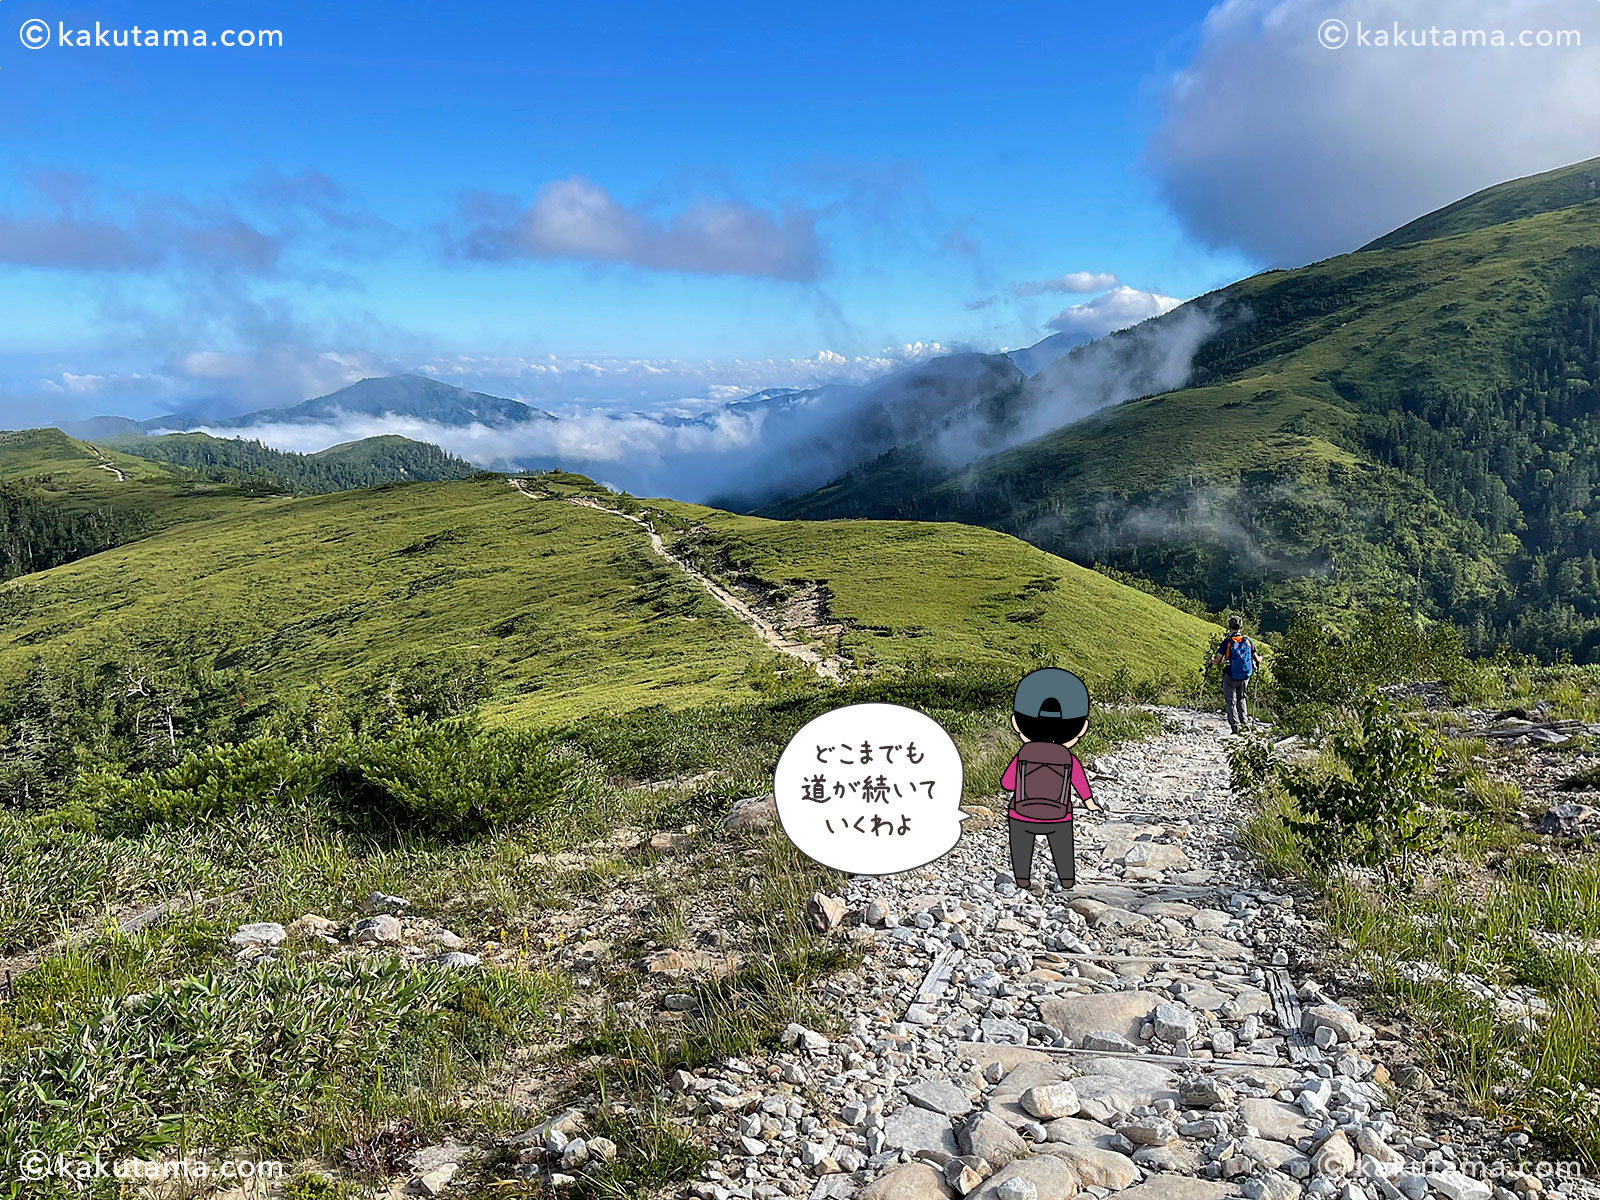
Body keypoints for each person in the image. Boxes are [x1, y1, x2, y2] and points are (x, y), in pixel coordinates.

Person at [1000, 667, 1101, 896]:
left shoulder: (1023, 753)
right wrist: (1090, 802)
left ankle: (1023, 881)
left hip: (1021, 814)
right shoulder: (1068, 758)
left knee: (1021, 846)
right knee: (1063, 848)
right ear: (1081, 728)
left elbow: (1007, 783)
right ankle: (1066, 880)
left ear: (1017, 723)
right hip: (1059, 816)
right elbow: (1080, 783)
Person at [1210, 616, 1261, 735]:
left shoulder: (1227, 642)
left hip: (1230, 674)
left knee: (1230, 701)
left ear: (1229, 627)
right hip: (1244, 676)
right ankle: (1245, 724)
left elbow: (1217, 661)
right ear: (1241, 627)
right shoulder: (1248, 641)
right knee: (1241, 698)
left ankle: (1235, 727)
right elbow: (1257, 658)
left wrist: (1212, 660)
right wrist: (1261, 659)